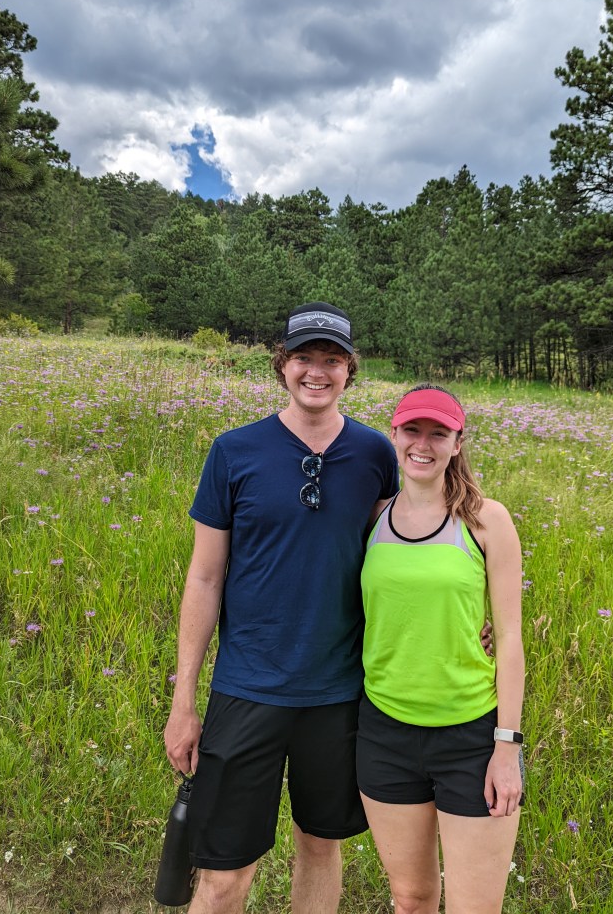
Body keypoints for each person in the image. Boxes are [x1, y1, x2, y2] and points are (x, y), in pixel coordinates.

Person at [164, 302, 399, 914]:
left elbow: (397, 565)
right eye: (303, 358)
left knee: (320, 847)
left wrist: (465, 622)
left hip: (338, 693)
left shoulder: (377, 456)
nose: (315, 372)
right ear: (282, 365)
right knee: (223, 873)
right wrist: (183, 703)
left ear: (350, 370)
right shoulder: (234, 451)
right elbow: (205, 577)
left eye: (331, 360)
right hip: (247, 690)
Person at [357, 384, 525, 914]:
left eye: (438, 433)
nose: (423, 444)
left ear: (458, 441)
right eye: (412, 430)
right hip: (385, 734)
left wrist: (506, 748)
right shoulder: (372, 519)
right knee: (411, 899)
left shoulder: (486, 521)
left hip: (472, 739)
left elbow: (512, 640)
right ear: (394, 435)